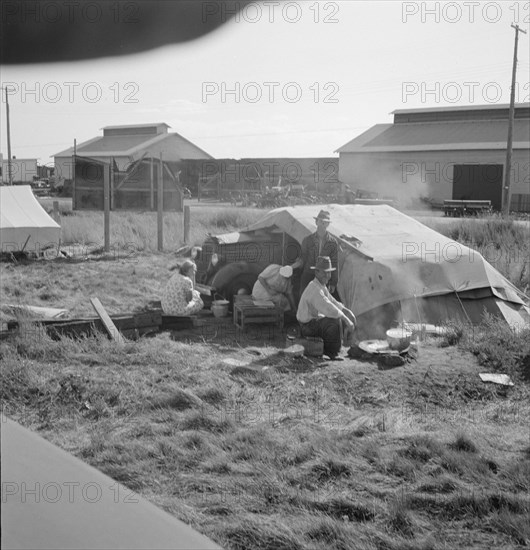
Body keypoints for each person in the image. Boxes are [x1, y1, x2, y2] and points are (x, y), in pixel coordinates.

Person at [296, 256, 356, 361]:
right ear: (316, 272)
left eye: (329, 272)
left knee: (335, 316)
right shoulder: (315, 289)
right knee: (334, 320)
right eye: (324, 272)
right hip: (307, 327)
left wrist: (347, 311)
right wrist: (347, 320)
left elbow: (332, 301)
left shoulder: (320, 285)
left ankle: (332, 349)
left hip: (310, 323)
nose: (327, 276)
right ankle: (332, 353)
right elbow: (329, 308)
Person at [292, 210, 340, 299]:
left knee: (322, 301)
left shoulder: (333, 243)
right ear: (316, 222)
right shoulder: (307, 240)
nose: (323, 224)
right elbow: (302, 258)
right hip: (308, 275)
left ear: (328, 224)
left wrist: (334, 282)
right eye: (321, 221)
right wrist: (292, 267)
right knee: (304, 299)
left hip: (323, 277)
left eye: (325, 222)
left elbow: (334, 263)